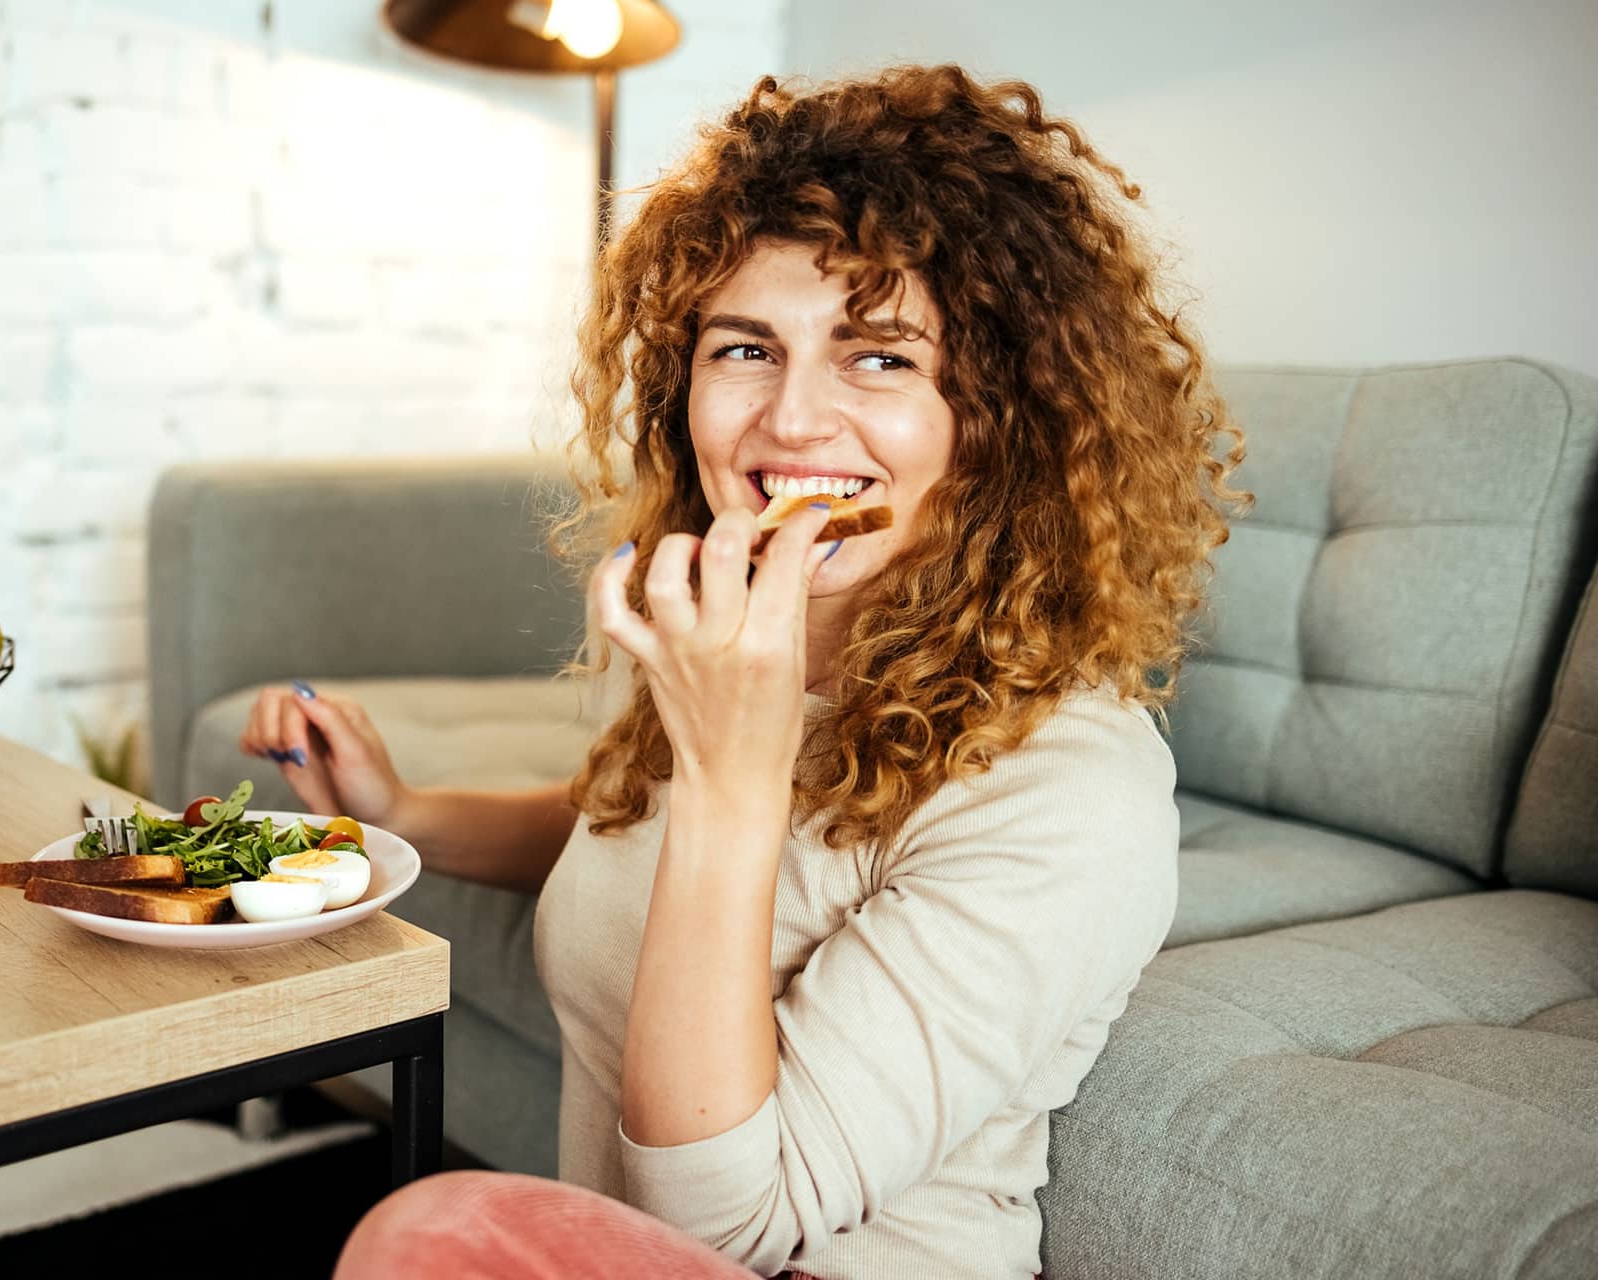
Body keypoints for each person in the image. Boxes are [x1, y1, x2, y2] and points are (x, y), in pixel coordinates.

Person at [241, 62, 1245, 1280]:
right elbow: (623, 827)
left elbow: (720, 1224)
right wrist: (405, 814)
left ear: (1001, 417)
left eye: (880, 358)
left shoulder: (1066, 787)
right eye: (744, 348)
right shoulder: (716, 625)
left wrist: (735, 764)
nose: (790, 422)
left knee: (424, 1233)